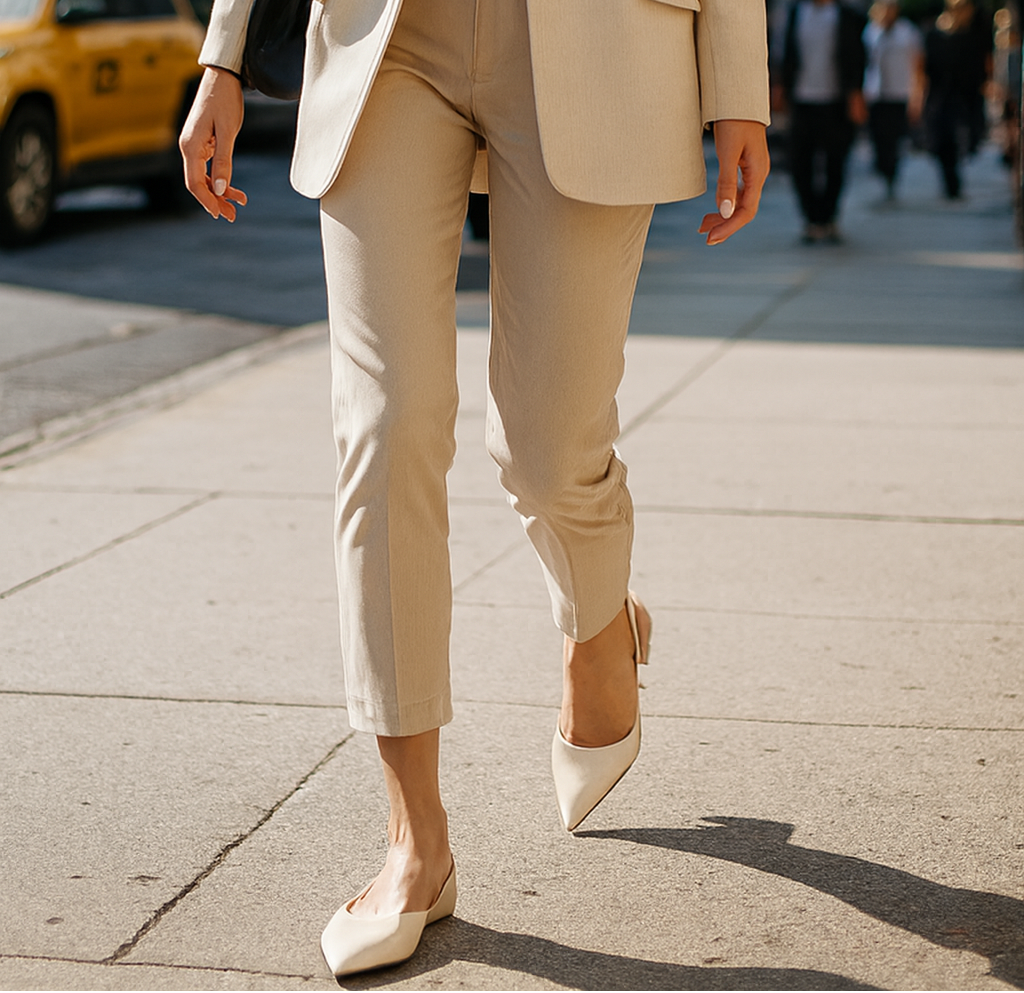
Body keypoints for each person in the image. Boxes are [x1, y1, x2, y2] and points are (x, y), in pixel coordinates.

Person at [180, 0, 770, 978]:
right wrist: (226, 54)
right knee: (385, 424)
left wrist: (737, 85)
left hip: (602, 34)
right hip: (388, 37)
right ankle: (416, 845)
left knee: (546, 451)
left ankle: (598, 627)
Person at [778, 0, 868, 242]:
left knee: (835, 163)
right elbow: (784, 53)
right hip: (801, 101)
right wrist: (778, 91)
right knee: (800, 163)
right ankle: (810, 219)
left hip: (837, 103)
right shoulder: (795, 12)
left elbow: (859, 56)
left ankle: (829, 218)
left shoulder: (849, 16)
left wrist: (857, 94)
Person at [923, 0, 994, 199]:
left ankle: (955, 176)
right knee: (941, 139)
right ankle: (950, 182)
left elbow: (987, 61)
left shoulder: (978, 32)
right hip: (941, 93)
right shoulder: (934, 32)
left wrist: (990, 84)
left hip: (968, 94)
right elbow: (924, 68)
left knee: (967, 137)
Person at [863, 0, 925, 198]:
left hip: (899, 94)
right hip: (875, 94)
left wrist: (918, 97)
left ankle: (892, 175)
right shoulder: (870, 32)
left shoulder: (908, 32)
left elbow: (918, 66)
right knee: (878, 138)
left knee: (896, 139)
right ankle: (883, 171)